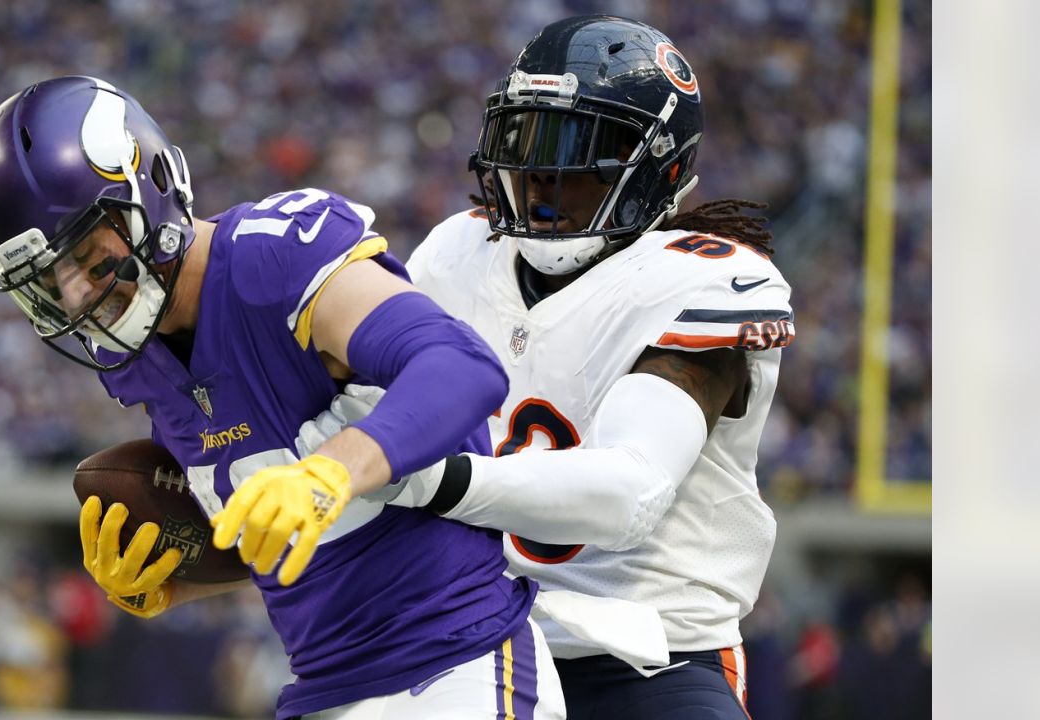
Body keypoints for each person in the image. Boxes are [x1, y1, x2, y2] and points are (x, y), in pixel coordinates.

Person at [0, 75, 564, 719]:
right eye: (52, 282)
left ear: (150, 185)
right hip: (326, 687)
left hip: (456, 661)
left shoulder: (273, 260)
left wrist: (331, 472)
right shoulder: (134, 361)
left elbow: (463, 367)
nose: (80, 295)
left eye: (90, 254)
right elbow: (277, 523)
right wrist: (172, 584)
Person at [302, 15, 793, 720]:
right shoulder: (457, 253)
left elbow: (630, 492)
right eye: (528, 140)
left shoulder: (703, 282)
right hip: (464, 642)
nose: (544, 175)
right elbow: (343, 420)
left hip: (644, 661)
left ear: (662, 167)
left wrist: (421, 476)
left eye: (583, 149)